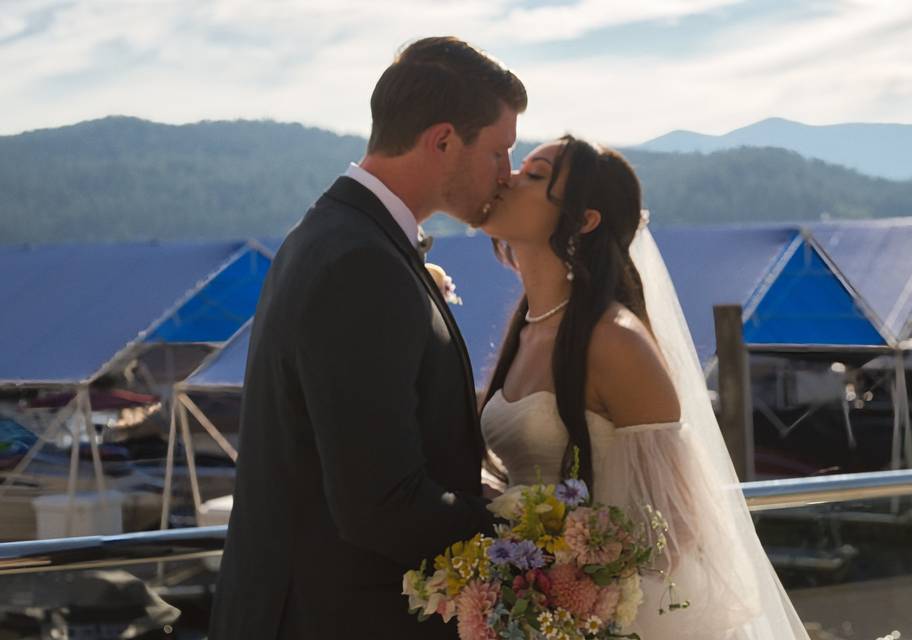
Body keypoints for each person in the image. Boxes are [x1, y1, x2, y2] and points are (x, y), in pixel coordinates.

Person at [208, 37, 527, 639]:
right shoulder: (361, 262)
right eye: (499, 152)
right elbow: (380, 503)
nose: (506, 175)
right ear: (442, 141)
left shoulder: (332, 233)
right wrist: (533, 544)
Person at [479, 135, 812, 639]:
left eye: (536, 175)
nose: (509, 179)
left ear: (585, 220)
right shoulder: (525, 328)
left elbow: (673, 528)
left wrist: (573, 596)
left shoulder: (615, 342)